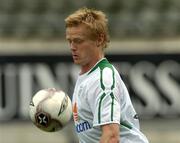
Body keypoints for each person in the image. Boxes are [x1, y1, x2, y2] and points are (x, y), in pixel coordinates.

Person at [65, 7, 149, 143]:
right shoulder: (87, 77)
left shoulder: (102, 79)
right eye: (69, 41)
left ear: (99, 40)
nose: (72, 47)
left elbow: (111, 136)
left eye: (78, 41)